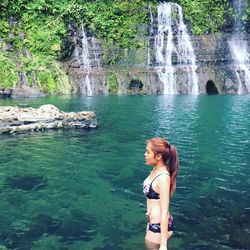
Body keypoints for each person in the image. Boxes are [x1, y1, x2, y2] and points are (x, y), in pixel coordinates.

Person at [143, 137, 179, 250]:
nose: (145, 154)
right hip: (153, 224)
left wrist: (163, 246)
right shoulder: (155, 170)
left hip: (159, 227)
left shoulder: (163, 178)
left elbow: (164, 211)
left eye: (148, 152)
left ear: (158, 156)